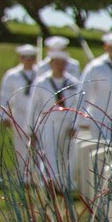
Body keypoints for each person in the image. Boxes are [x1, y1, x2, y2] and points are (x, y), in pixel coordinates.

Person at [26, 50, 81, 194]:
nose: (59, 66)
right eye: (56, 63)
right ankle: (52, 183)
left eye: (62, 63)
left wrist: (75, 125)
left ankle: (64, 182)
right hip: (48, 123)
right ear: (51, 64)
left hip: (67, 122)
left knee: (65, 154)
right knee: (49, 153)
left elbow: (78, 105)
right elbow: (33, 107)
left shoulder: (73, 83)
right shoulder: (41, 82)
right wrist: (31, 128)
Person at [77, 32, 112, 141]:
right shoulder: (95, 67)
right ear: (106, 47)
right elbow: (84, 93)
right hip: (99, 120)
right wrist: (81, 119)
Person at [0, 44, 38, 178]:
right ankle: (23, 174)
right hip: (19, 114)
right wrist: (4, 115)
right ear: (20, 58)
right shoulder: (12, 75)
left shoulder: (40, 74)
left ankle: (36, 174)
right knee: (20, 145)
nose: (29, 61)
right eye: (25, 58)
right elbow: (5, 96)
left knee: (36, 145)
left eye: (31, 58)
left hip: (36, 114)